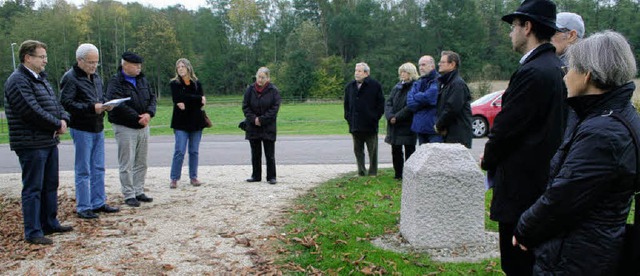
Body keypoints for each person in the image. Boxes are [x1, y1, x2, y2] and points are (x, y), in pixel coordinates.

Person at [513, 30, 639, 275]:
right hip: (592, 246)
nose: (565, 77)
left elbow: (564, 197)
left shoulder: (602, 133)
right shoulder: (617, 116)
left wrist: (525, 227)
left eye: (569, 69)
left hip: (575, 255)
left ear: (587, 75)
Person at [480, 0, 566, 274]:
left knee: (518, 264)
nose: (510, 33)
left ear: (527, 27)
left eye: (514, 26)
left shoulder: (534, 72)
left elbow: (506, 127)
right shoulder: (555, 67)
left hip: (523, 189)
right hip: (542, 184)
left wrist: (488, 158)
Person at [4, 40, 73, 244]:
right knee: (33, 187)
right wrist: (56, 124)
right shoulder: (17, 81)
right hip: (31, 143)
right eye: (41, 57)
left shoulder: (40, 78)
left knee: (50, 184)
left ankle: (49, 222)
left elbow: (55, 103)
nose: (45, 60)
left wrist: (64, 119)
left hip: (48, 141)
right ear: (28, 58)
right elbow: (30, 110)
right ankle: (33, 231)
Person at [60, 43, 119, 219]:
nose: (94, 65)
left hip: (98, 127)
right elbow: (66, 103)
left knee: (98, 166)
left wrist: (108, 104)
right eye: (90, 62)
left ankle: (98, 202)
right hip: (81, 128)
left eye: (96, 62)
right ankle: (84, 206)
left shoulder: (96, 77)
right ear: (80, 60)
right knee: (83, 169)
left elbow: (100, 98)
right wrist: (91, 108)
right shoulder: (70, 78)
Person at [106, 52, 156, 207]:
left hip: (143, 125)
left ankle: (138, 189)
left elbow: (152, 97)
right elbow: (118, 104)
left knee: (141, 161)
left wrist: (149, 113)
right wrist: (137, 118)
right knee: (127, 162)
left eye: (140, 66)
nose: (139, 69)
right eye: (136, 66)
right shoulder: (116, 82)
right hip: (125, 127)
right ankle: (129, 193)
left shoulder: (142, 80)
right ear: (125, 65)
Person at [169, 58, 207, 189]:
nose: (180, 69)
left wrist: (191, 100)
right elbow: (178, 99)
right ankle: (174, 178)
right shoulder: (174, 84)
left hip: (196, 121)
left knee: (194, 151)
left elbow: (202, 102)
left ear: (188, 68)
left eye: (182, 66)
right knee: (179, 150)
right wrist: (196, 99)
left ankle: (193, 176)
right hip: (181, 122)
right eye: (178, 67)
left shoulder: (197, 83)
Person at [344, 62, 385, 176]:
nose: (356, 73)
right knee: (358, 150)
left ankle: (372, 172)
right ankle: (361, 171)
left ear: (366, 73)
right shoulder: (350, 87)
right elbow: (346, 105)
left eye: (359, 71)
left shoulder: (375, 86)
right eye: (356, 71)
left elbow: (381, 104)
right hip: (355, 124)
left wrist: (375, 117)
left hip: (370, 125)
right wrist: (348, 117)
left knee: (372, 151)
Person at [242, 67, 281, 185]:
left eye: (263, 77)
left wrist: (262, 119)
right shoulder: (250, 90)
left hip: (268, 126)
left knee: (270, 154)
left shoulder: (273, 91)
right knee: (255, 153)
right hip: (253, 126)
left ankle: (271, 176)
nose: (260, 79)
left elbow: (275, 108)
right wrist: (254, 119)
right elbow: (245, 106)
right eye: (258, 77)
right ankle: (256, 175)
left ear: (268, 78)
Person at [384, 62, 418, 180]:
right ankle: (398, 174)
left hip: (407, 124)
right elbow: (388, 102)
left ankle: (409, 175)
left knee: (409, 150)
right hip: (394, 126)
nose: (402, 74)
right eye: (401, 72)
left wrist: (397, 117)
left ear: (411, 73)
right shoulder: (397, 87)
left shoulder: (415, 87)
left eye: (405, 72)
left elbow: (410, 106)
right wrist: (389, 116)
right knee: (396, 150)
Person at [434, 51, 472, 149]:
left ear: (452, 64)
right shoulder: (446, 83)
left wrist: (439, 125)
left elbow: (452, 108)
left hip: (457, 134)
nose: (439, 64)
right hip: (449, 132)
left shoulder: (457, 84)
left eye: (442, 62)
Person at [406, 55, 441, 145]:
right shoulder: (418, 82)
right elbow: (410, 103)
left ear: (432, 66)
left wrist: (417, 96)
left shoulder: (438, 80)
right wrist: (422, 98)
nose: (421, 68)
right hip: (420, 127)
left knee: (435, 157)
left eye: (423, 65)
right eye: (419, 65)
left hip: (433, 128)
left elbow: (430, 97)